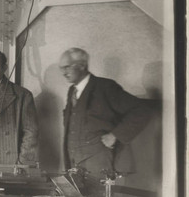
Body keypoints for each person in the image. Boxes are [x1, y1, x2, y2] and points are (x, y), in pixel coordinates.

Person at [59, 47, 152, 177]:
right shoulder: (71, 91)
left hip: (98, 162)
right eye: (61, 68)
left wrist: (115, 135)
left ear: (81, 66)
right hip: (73, 162)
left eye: (67, 67)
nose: (63, 72)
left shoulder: (105, 87)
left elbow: (142, 110)